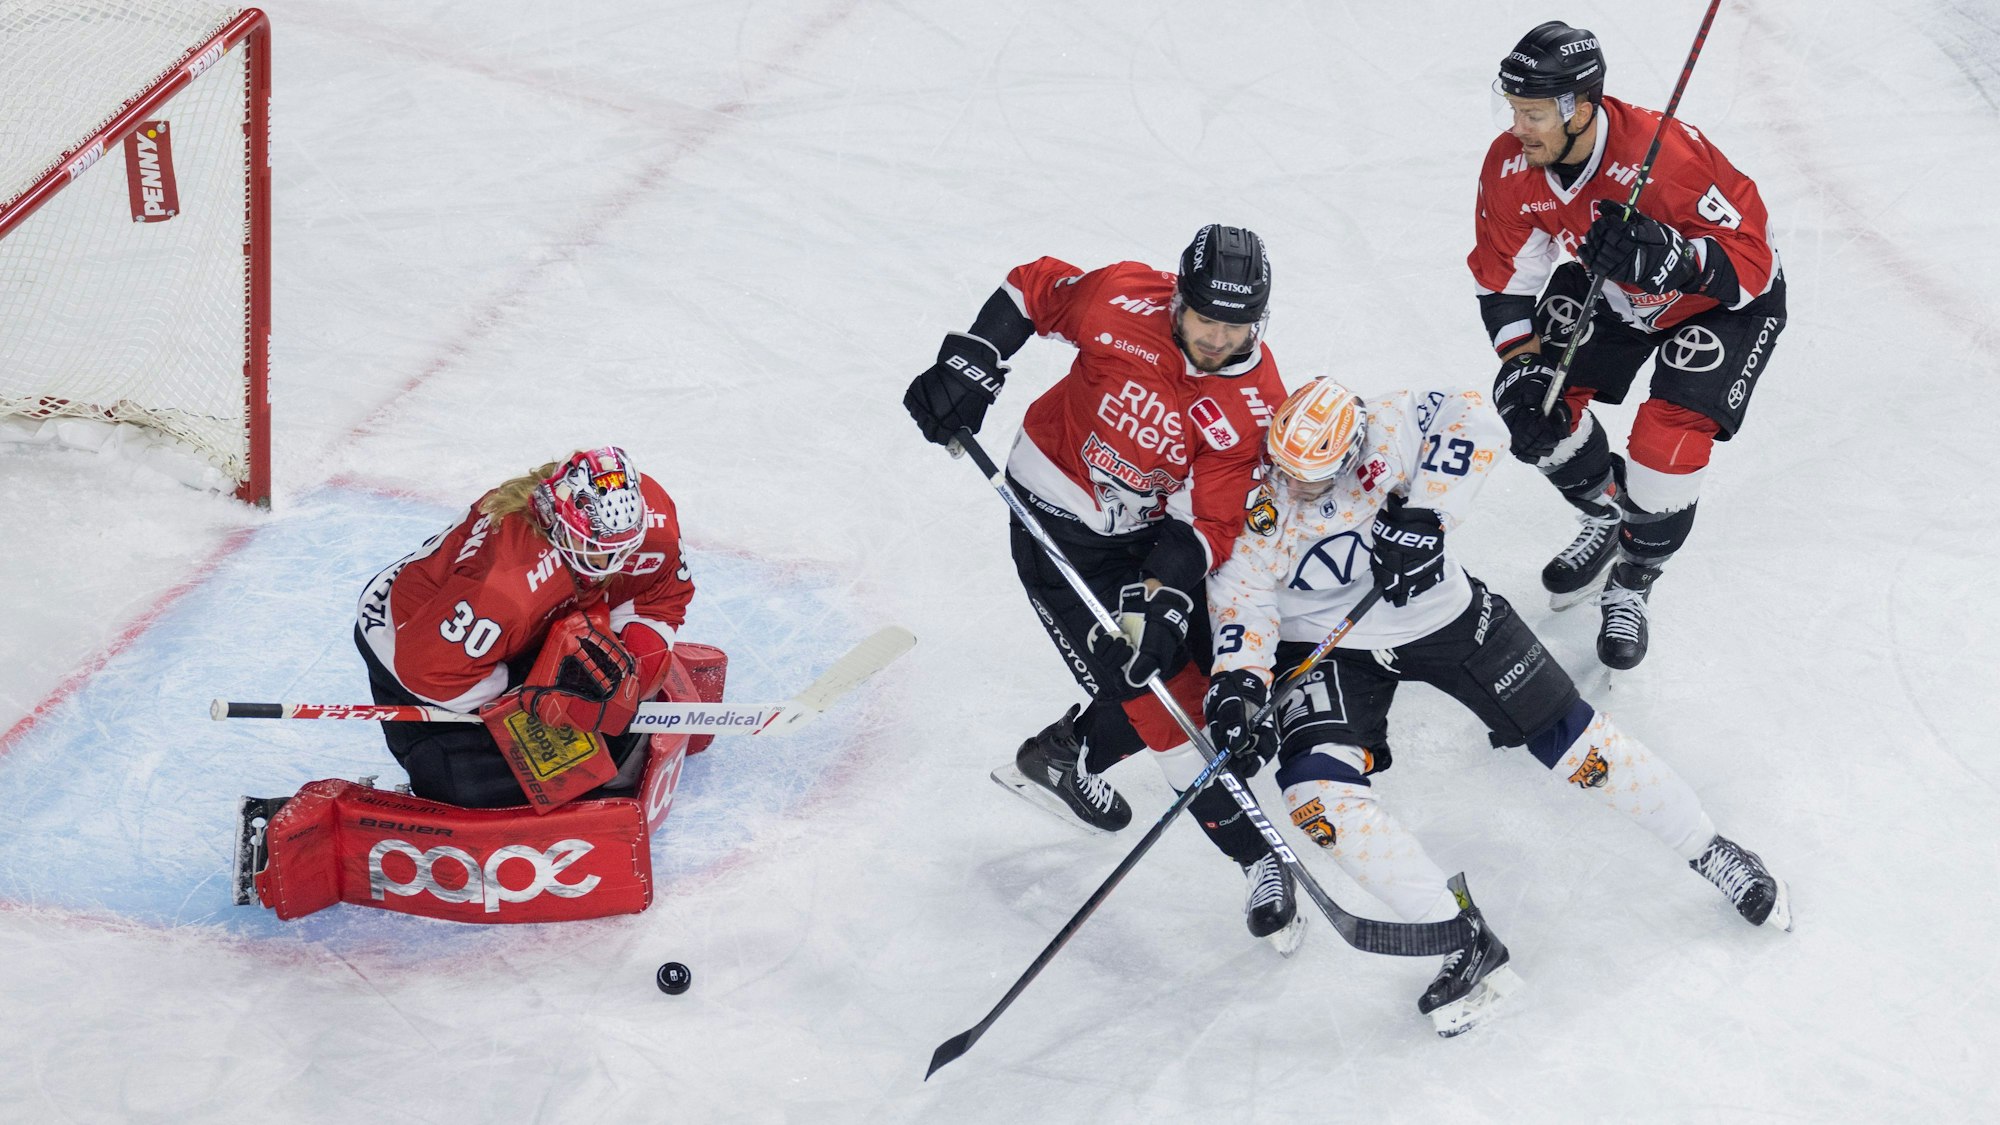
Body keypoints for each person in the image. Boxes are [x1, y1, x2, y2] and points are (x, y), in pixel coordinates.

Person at [1203, 377, 1792, 1037]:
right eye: (1283, 468)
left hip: (1441, 614)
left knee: (1575, 742)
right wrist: (1239, 683)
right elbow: (1241, 596)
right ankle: (1460, 937)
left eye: (1309, 477)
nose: (1291, 486)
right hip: (1327, 646)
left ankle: (1710, 848)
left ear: (1350, 452)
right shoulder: (1250, 493)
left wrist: (1427, 516)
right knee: (1316, 796)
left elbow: (1472, 415)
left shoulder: (1390, 423)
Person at [903, 224, 1301, 950]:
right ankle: (1258, 858)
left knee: (1198, 657)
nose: (1217, 340)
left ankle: (1063, 755)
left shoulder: (1253, 403)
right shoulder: (1120, 298)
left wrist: (1161, 600)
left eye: (1238, 326)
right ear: (1177, 299)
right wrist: (975, 357)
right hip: (1054, 524)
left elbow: (1210, 523)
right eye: (1204, 318)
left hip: (1150, 534)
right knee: (1163, 700)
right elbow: (1032, 288)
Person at [1471, 20, 1786, 668]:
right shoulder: (1512, 165)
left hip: (1720, 306)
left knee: (1665, 444)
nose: (1517, 128)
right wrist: (1521, 365)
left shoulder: (1668, 158)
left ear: (1580, 110)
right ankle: (1609, 512)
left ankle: (1634, 578)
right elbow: (1503, 280)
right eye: (1513, 110)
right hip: (1611, 289)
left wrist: (1675, 257)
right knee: (1538, 413)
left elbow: (1755, 262)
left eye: (1533, 114)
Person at [353, 446, 694, 808]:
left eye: (623, 548)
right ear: (555, 520)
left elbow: (662, 590)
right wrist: (534, 696)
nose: (614, 561)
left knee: (594, 697)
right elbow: (428, 670)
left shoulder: (647, 516)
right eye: (597, 548)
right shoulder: (505, 591)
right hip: (411, 646)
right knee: (457, 779)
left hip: (495, 627)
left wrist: (640, 658)